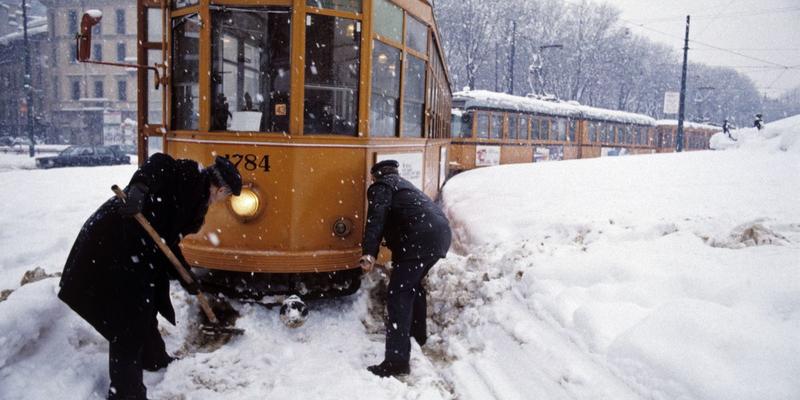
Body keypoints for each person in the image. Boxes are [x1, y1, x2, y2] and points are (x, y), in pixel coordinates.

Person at [58, 154, 242, 400]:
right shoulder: (188, 175)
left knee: (145, 305)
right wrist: (139, 189)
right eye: (226, 196)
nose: (223, 201)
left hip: (133, 249)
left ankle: (154, 358)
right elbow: (158, 163)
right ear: (221, 189)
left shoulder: (195, 196)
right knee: (127, 325)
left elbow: (166, 240)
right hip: (111, 245)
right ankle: (126, 393)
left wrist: (185, 275)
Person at [359, 160, 452, 377]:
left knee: (398, 294)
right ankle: (417, 334)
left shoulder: (382, 187)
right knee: (412, 286)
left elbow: (376, 220)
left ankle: (396, 361)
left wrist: (369, 252)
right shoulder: (403, 185)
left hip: (419, 240)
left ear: (375, 176)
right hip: (438, 235)